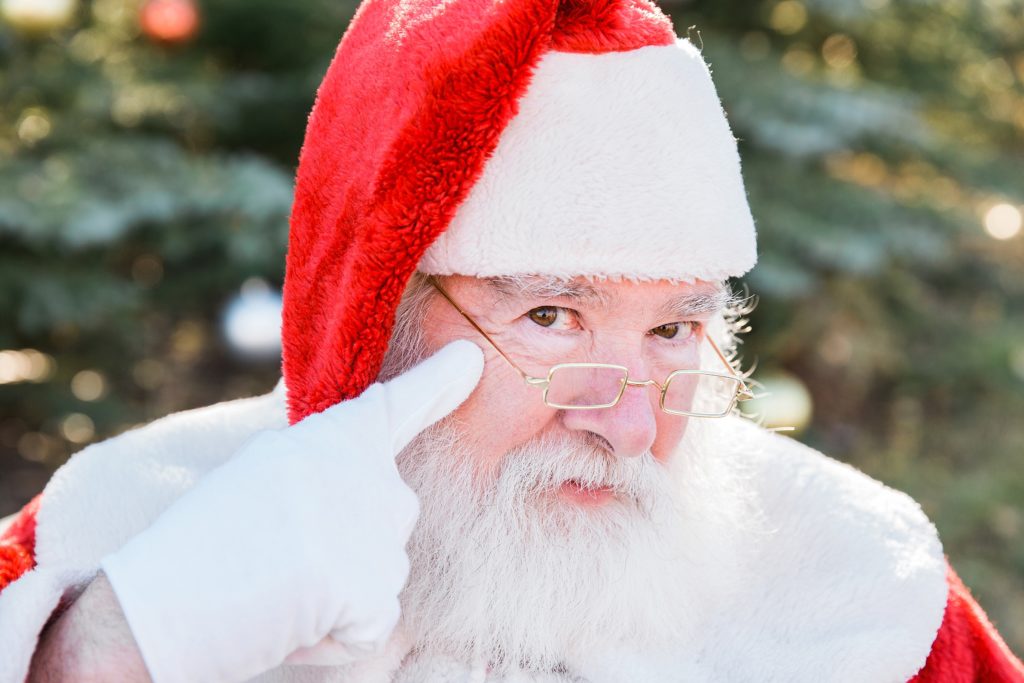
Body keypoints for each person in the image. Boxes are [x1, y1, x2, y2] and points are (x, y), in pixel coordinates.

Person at [1, 0, 1022, 681]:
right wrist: (107, 644)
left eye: (673, 328)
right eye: (549, 316)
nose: (626, 422)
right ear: (374, 317)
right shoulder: (112, 526)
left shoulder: (863, 591)